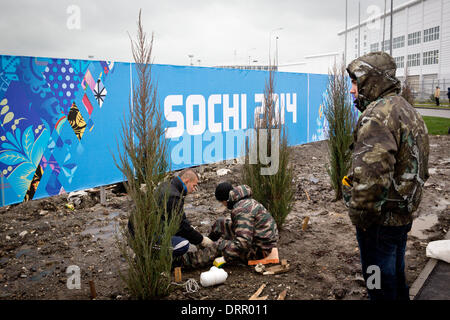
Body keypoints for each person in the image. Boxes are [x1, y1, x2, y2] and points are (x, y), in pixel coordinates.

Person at [344, 51, 429, 300]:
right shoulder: (406, 110)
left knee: (377, 284)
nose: (352, 90)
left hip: (378, 222)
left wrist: (360, 217)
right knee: (395, 276)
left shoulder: (377, 116)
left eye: (355, 82)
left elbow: (371, 180)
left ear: (372, 81)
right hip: (400, 216)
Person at [181, 182, 279, 269]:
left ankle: (184, 261)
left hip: (260, 250)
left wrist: (225, 255)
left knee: (220, 246)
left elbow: (243, 243)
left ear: (225, 201)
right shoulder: (246, 201)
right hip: (258, 238)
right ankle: (205, 246)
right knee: (220, 223)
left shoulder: (240, 210)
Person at [128, 168, 214, 259]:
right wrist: (201, 240)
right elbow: (181, 227)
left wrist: (194, 234)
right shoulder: (173, 196)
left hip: (140, 230)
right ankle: (147, 257)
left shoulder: (167, 185)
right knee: (182, 245)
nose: (194, 189)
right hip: (142, 236)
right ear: (186, 181)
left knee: (177, 233)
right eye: (194, 185)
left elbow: (181, 219)